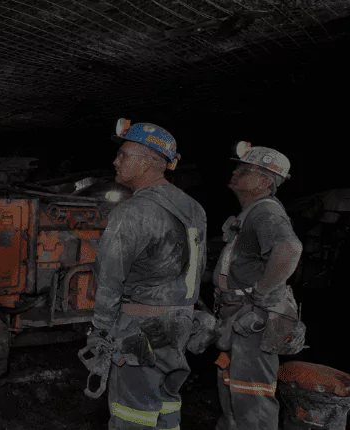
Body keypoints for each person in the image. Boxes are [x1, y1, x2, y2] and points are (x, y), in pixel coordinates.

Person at [87, 119, 207, 429]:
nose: (116, 161)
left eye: (124, 155)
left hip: (140, 328)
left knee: (133, 413)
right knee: (167, 402)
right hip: (181, 323)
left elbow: (109, 278)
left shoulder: (131, 212)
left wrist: (100, 329)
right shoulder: (194, 207)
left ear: (147, 162)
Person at [213, 141, 304, 430]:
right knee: (234, 391)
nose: (236, 173)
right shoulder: (251, 212)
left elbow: (289, 249)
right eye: (238, 168)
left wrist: (261, 294)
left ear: (266, 182)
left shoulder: (266, 212)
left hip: (252, 320)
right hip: (239, 318)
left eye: (245, 170)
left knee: (252, 399)